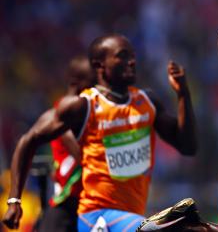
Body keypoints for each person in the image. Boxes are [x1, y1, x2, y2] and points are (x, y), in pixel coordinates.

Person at [2, 34, 199, 232]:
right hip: (96, 216)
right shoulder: (83, 106)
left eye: (132, 56)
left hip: (132, 216)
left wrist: (183, 94)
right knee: (161, 228)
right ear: (99, 66)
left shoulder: (147, 102)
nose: (131, 61)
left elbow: (188, 147)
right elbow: (28, 140)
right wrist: (14, 200)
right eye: (122, 56)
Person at [38, 56, 95, 232]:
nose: (97, 89)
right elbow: (81, 155)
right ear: (75, 82)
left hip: (88, 198)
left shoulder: (88, 111)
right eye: (92, 83)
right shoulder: (62, 111)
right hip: (67, 196)